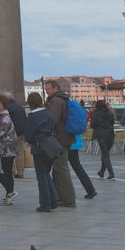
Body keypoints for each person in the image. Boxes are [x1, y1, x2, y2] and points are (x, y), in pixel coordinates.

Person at [23, 92, 59, 212]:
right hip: (50, 147)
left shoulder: (33, 117)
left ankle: (45, 203)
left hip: (39, 147)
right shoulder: (47, 113)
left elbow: (28, 135)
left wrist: (30, 140)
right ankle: (53, 198)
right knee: (46, 173)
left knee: (41, 176)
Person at [42, 79, 75, 208]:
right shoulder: (63, 99)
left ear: (55, 88)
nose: (47, 92)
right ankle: (61, 196)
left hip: (60, 139)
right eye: (46, 90)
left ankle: (68, 199)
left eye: (48, 89)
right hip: (65, 138)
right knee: (59, 168)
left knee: (61, 169)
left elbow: (53, 120)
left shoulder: (56, 101)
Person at [90, 99, 116, 180]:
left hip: (101, 135)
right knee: (105, 153)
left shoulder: (96, 113)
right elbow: (112, 122)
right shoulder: (109, 112)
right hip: (111, 134)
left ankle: (111, 174)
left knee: (105, 154)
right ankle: (101, 172)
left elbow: (92, 125)